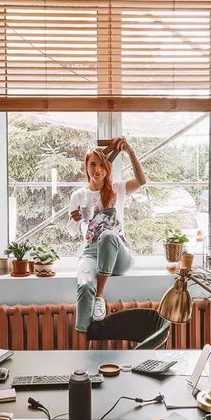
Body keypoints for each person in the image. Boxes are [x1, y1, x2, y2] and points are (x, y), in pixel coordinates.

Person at [67, 137, 146, 332]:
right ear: (86, 166)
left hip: (119, 253)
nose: (97, 170)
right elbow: (71, 231)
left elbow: (142, 181)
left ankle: (100, 296)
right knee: (85, 285)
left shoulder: (118, 189)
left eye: (102, 165)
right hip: (91, 252)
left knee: (109, 235)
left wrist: (131, 152)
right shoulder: (78, 196)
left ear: (107, 168)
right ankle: (83, 343)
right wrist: (74, 220)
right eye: (92, 164)